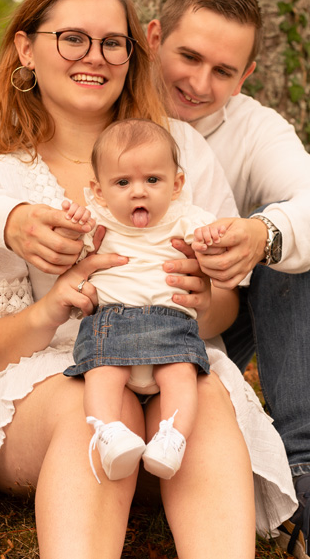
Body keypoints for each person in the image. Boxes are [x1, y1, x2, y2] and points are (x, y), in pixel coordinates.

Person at [0, 0, 297, 559]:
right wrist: (52, 307)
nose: (95, 57)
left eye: (112, 43)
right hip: (49, 393)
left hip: (171, 384)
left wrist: (204, 300)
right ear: (26, 49)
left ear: (132, 54)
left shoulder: (181, 152)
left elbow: (226, 310)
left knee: (203, 390)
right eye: (73, 38)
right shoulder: (0, 179)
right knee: (92, 398)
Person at [59, 118, 231, 482]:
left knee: (181, 377)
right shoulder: (99, 222)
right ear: (99, 191)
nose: (139, 192)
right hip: (111, 321)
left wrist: (211, 239)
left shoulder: (183, 218)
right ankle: (110, 432)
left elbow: (210, 239)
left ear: (176, 184)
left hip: (171, 322)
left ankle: (172, 438)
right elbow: (72, 248)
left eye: (153, 180)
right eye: (122, 182)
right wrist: (72, 224)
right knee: (101, 375)